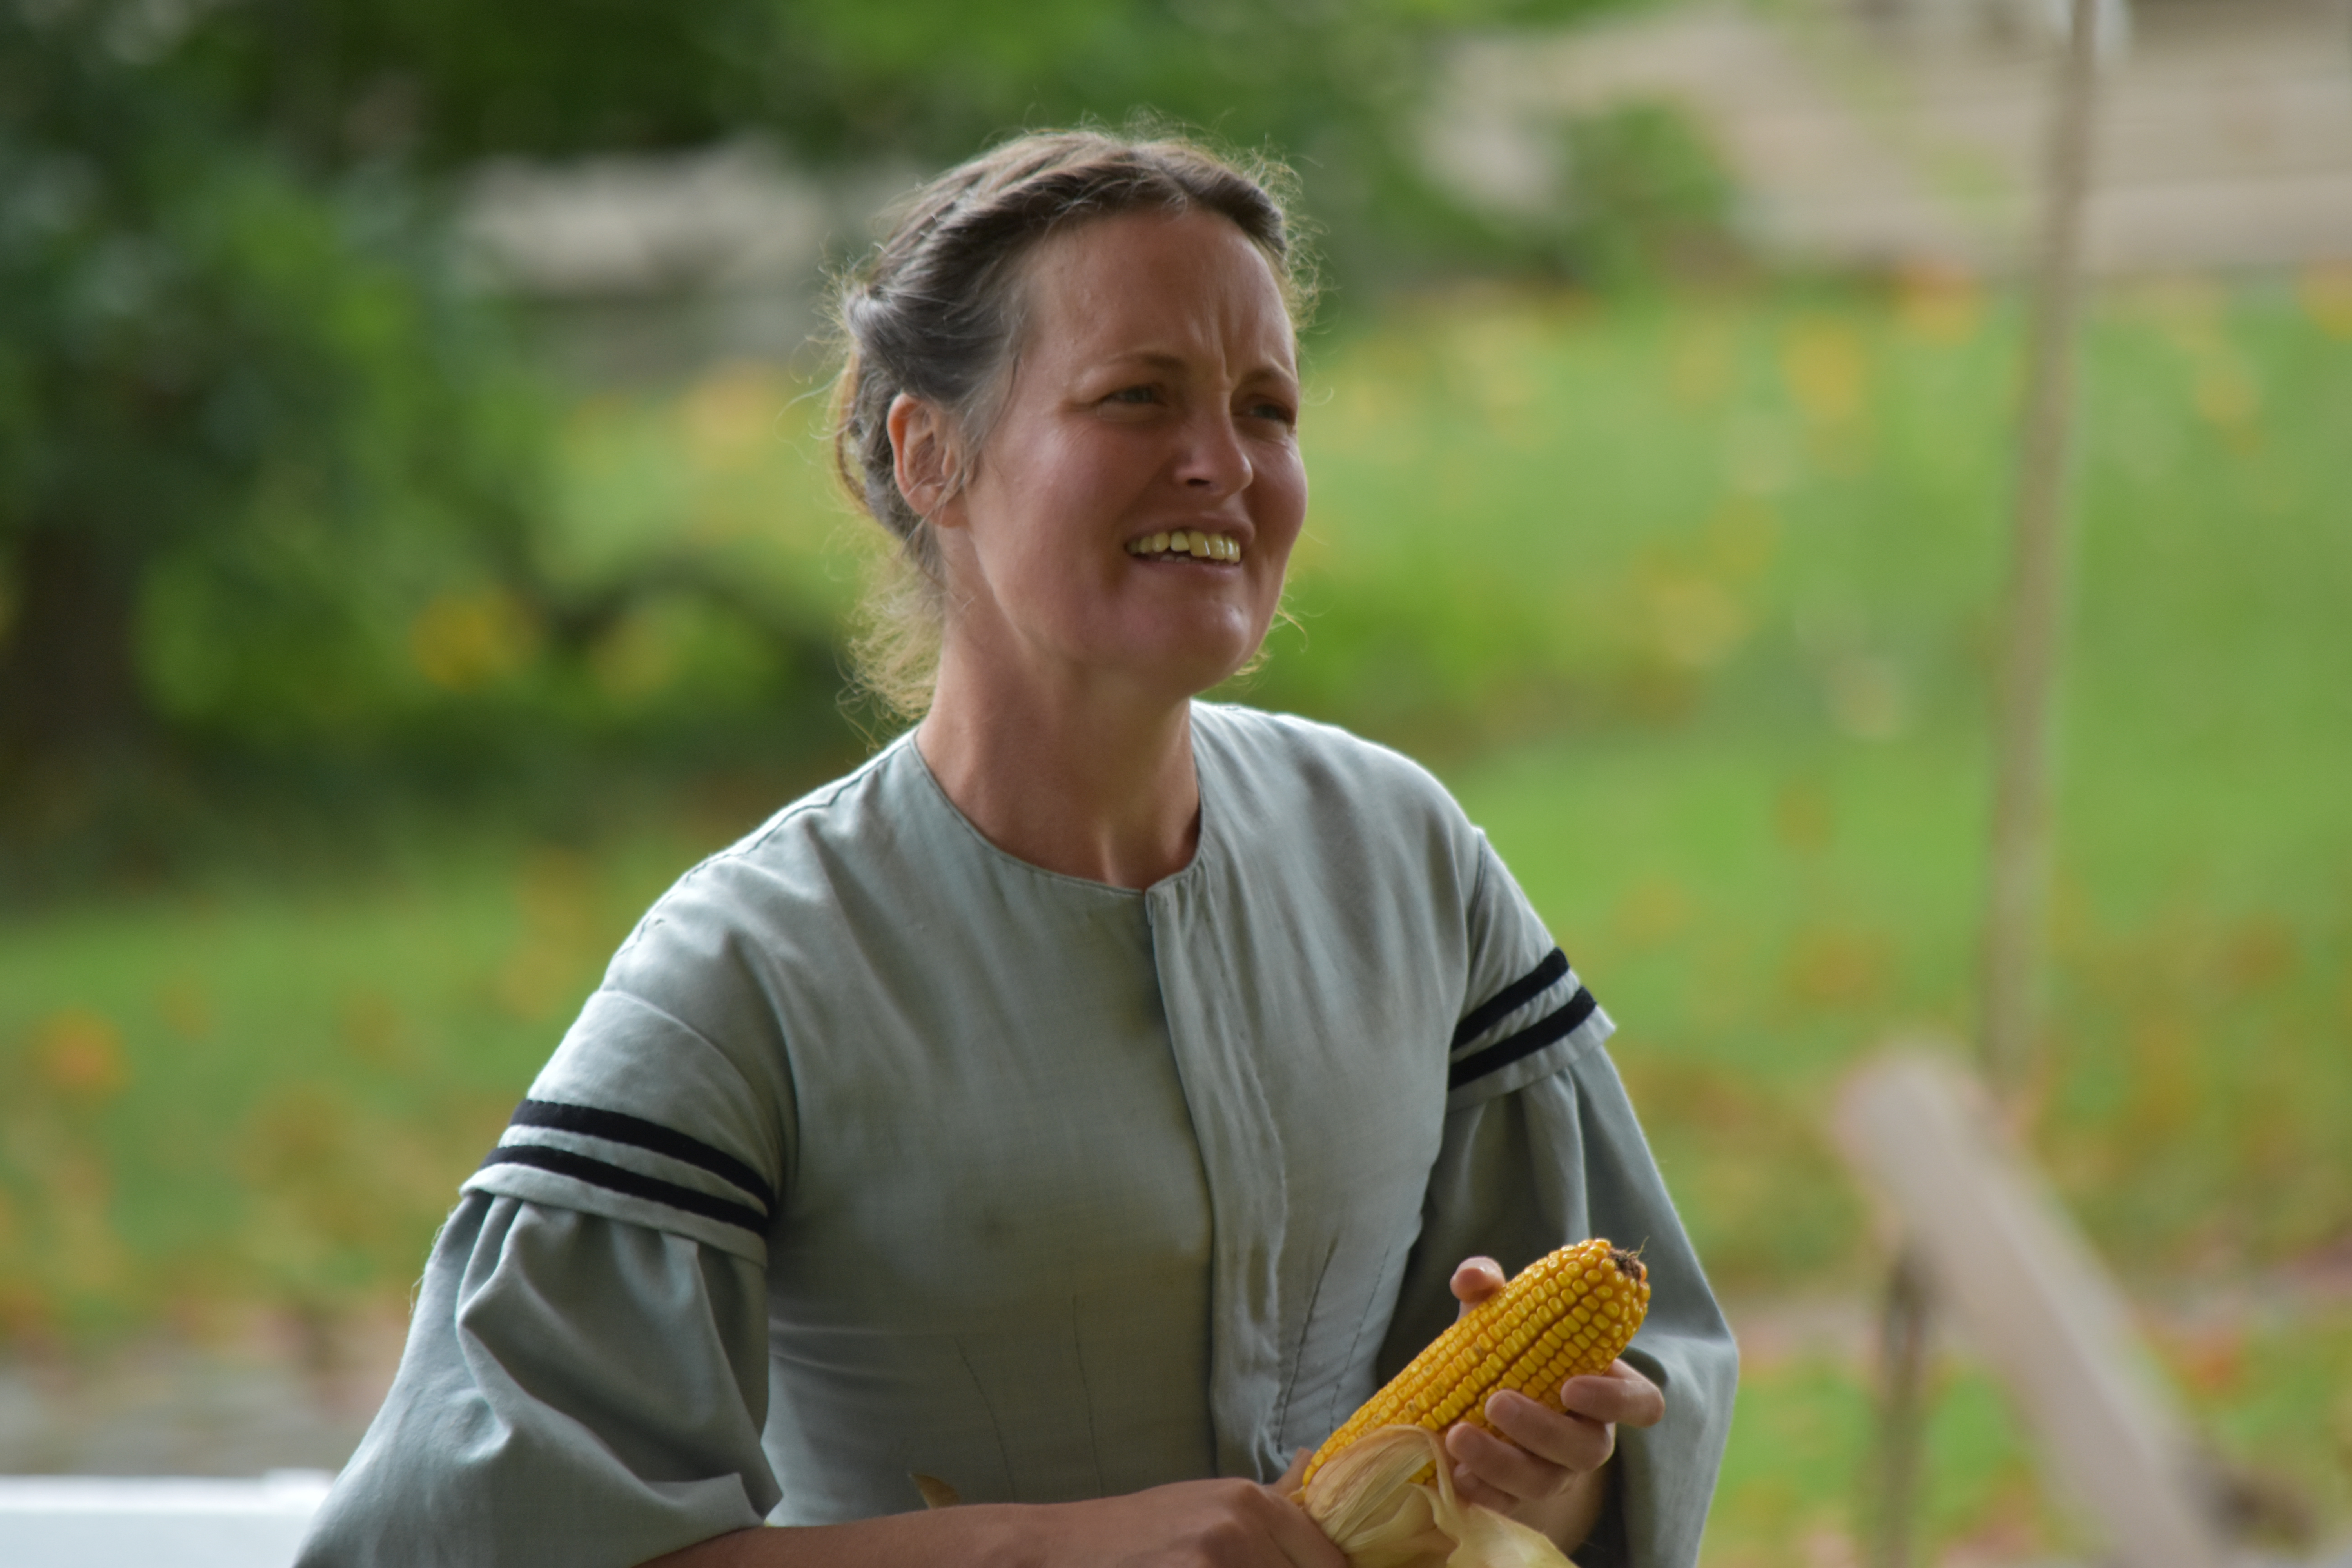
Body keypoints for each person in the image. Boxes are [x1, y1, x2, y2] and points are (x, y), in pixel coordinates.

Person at [294, 130, 1737, 1568]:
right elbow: (451, 1543)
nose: (1221, 465)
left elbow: (1641, 1378)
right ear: (933, 455)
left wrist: (1550, 1481)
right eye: (1137, 399)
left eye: (1268, 409)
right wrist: (1043, 1553)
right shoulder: (750, 971)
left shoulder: (1401, 855)